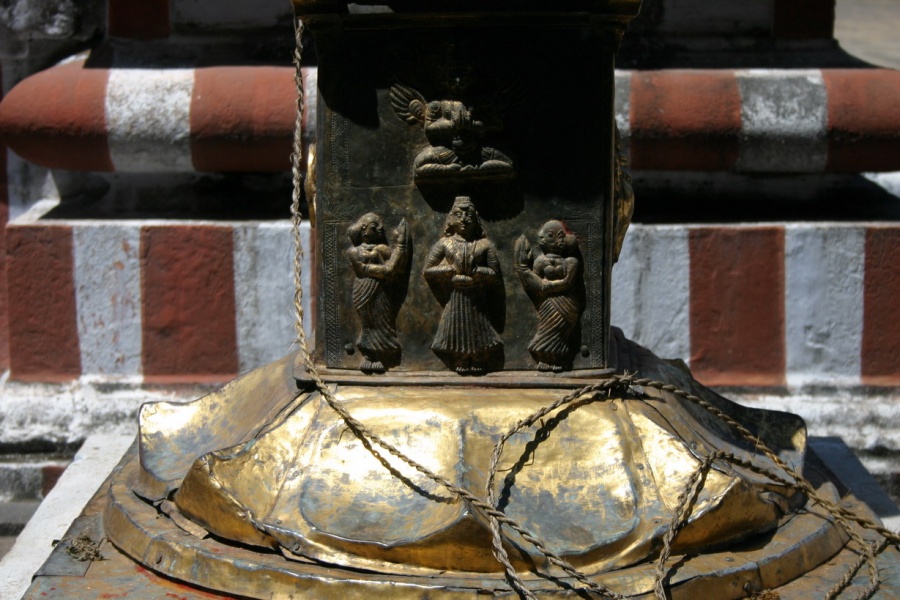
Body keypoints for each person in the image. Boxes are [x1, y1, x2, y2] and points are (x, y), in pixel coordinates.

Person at [424, 197, 503, 374]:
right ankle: (460, 356)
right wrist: (450, 270)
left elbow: (495, 275)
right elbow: (428, 270)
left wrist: (477, 272)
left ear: (476, 219)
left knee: (478, 326)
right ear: (450, 219)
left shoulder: (484, 245)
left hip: (476, 297)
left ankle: (478, 357)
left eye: (469, 215)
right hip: (456, 296)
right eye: (458, 215)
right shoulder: (444, 243)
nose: (464, 219)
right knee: (455, 326)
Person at [514, 220, 584, 372]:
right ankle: (544, 358)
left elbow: (566, 283)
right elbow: (535, 284)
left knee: (560, 331)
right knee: (547, 329)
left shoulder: (572, 261)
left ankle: (558, 359)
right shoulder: (540, 261)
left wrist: (545, 285)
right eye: (547, 235)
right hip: (548, 302)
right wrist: (524, 269)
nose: (542, 238)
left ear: (562, 238)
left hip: (566, 303)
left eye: (552, 235)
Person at [347, 213, 409, 373]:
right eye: (375, 227)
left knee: (382, 320)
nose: (381, 229)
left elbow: (393, 268)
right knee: (368, 322)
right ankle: (368, 355)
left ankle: (381, 355)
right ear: (364, 230)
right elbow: (362, 270)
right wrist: (381, 269)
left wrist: (399, 247)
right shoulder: (354, 252)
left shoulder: (383, 249)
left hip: (381, 290)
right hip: (363, 290)